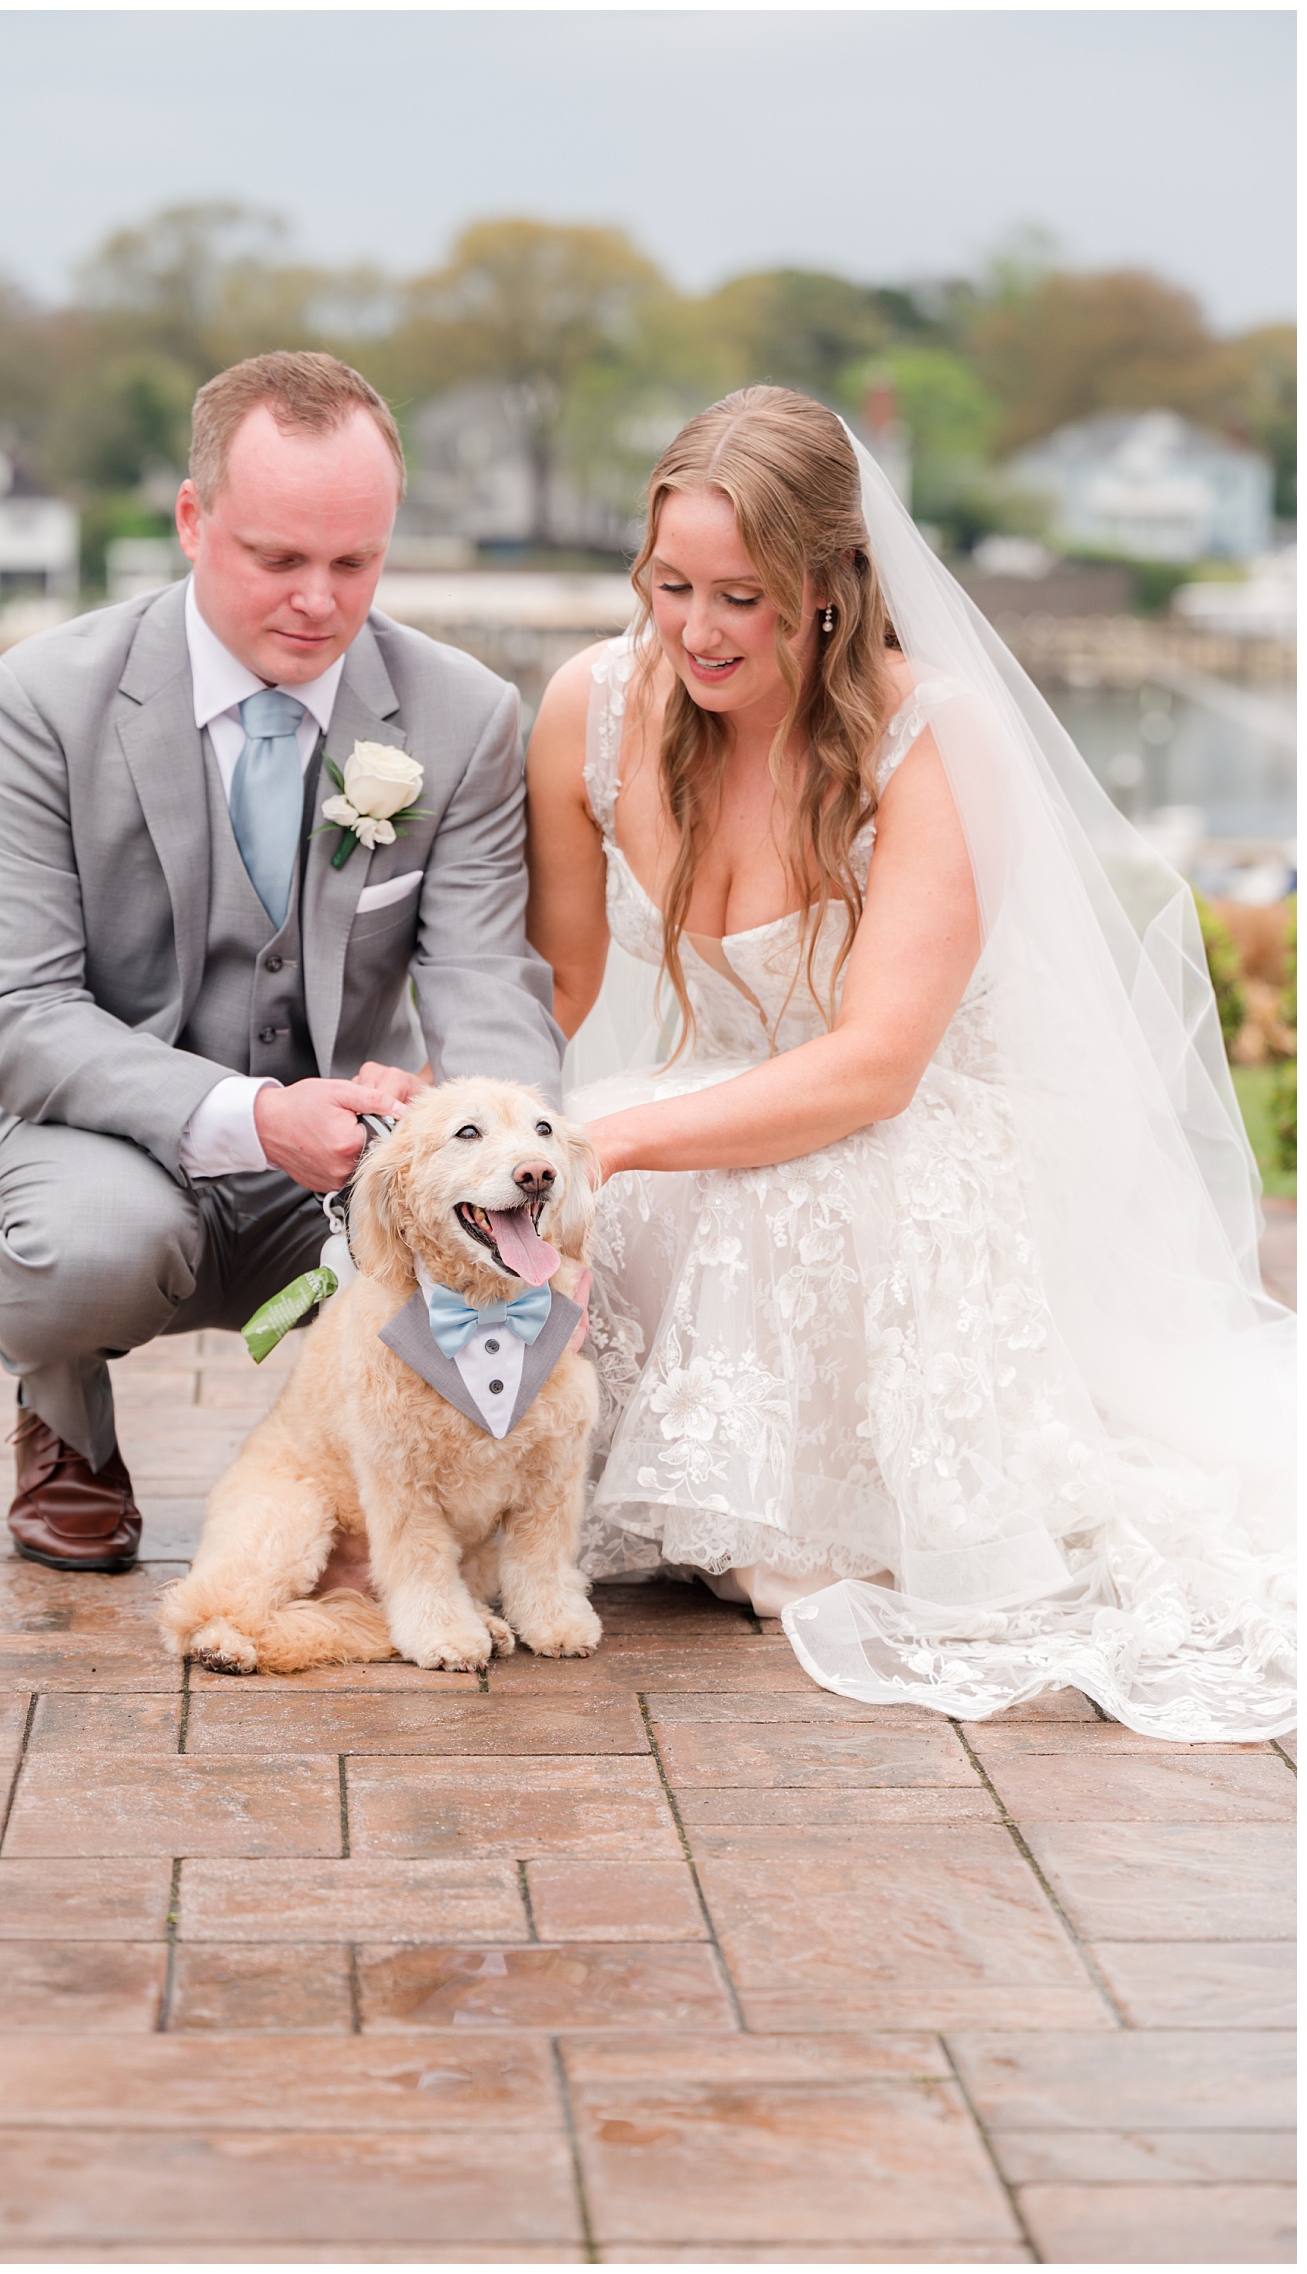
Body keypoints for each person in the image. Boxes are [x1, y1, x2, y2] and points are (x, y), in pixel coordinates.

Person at [526, 386, 1293, 1741]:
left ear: (827, 586)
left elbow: (876, 1063)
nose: (696, 630)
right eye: (670, 585)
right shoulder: (590, 706)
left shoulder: (930, 733)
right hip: (718, 1095)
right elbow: (556, 986)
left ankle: (807, 1513)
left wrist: (615, 1143)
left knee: (746, 1181)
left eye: (741, 596)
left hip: (922, 1123)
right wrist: (476, 1128)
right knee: (537, 1178)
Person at [0, 351, 561, 1574]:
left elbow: (490, 985)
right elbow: (17, 1012)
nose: (319, 602)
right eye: (277, 559)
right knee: (92, 1248)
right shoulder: (42, 698)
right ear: (190, 520)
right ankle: (63, 1421)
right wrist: (251, 1114)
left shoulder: (466, 716)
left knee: (516, 1237)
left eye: (355, 563)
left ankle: (370, 1469)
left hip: (342, 1156)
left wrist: (496, 1167)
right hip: (98, 1138)